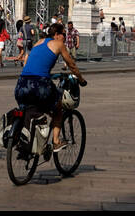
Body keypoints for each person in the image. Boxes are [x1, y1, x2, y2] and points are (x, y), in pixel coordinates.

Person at [15, 21, 86, 152]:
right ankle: (56, 141)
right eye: (64, 34)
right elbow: (72, 65)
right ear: (57, 35)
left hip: (21, 83)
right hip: (39, 84)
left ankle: (28, 141)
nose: (65, 37)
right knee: (58, 108)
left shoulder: (38, 42)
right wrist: (81, 80)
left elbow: (30, 62)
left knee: (35, 109)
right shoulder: (58, 44)